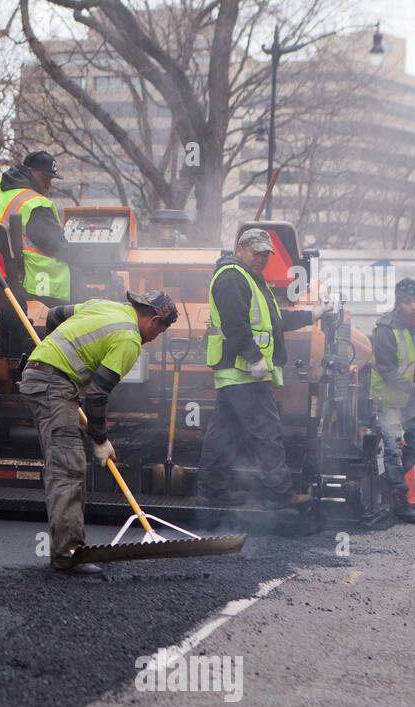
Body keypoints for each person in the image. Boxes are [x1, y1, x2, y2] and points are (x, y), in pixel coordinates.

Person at [19, 291, 177, 574]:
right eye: (162, 329)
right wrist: (100, 439)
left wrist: (53, 352)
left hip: (41, 377)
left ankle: (67, 549)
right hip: (52, 386)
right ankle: (68, 554)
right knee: (68, 467)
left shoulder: (103, 305)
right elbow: (98, 394)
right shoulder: (129, 339)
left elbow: (54, 315)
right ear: (154, 320)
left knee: (68, 463)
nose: (158, 336)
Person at [196, 228, 330, 509]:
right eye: (256, 252)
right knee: (266, 431)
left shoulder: (249, 279)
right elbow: (235, 324)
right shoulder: (233, 277)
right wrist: (254, 357)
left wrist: (311, 315)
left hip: (238, 372)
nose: (261, 259)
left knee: (224, 433)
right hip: (244, 371)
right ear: (241, 249)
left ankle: (212, 491)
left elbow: (273, 319)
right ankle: (280, 495)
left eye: (265, 254)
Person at [0, 150, 77, 311]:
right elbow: (57, 246)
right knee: (79, 279)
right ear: (31, 171)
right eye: (45, 179)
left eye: (51, 180)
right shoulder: (35, 204)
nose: (48, 185)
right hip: (26, 283)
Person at [371, 277, 415, 524]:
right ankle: (399, 501)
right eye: (406, 302)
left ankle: (384, 486)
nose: (412, 307)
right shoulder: (385, 329)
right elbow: (387, 371)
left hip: (411, 394)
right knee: (393, 450)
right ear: (397, 303)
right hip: (387, 395)